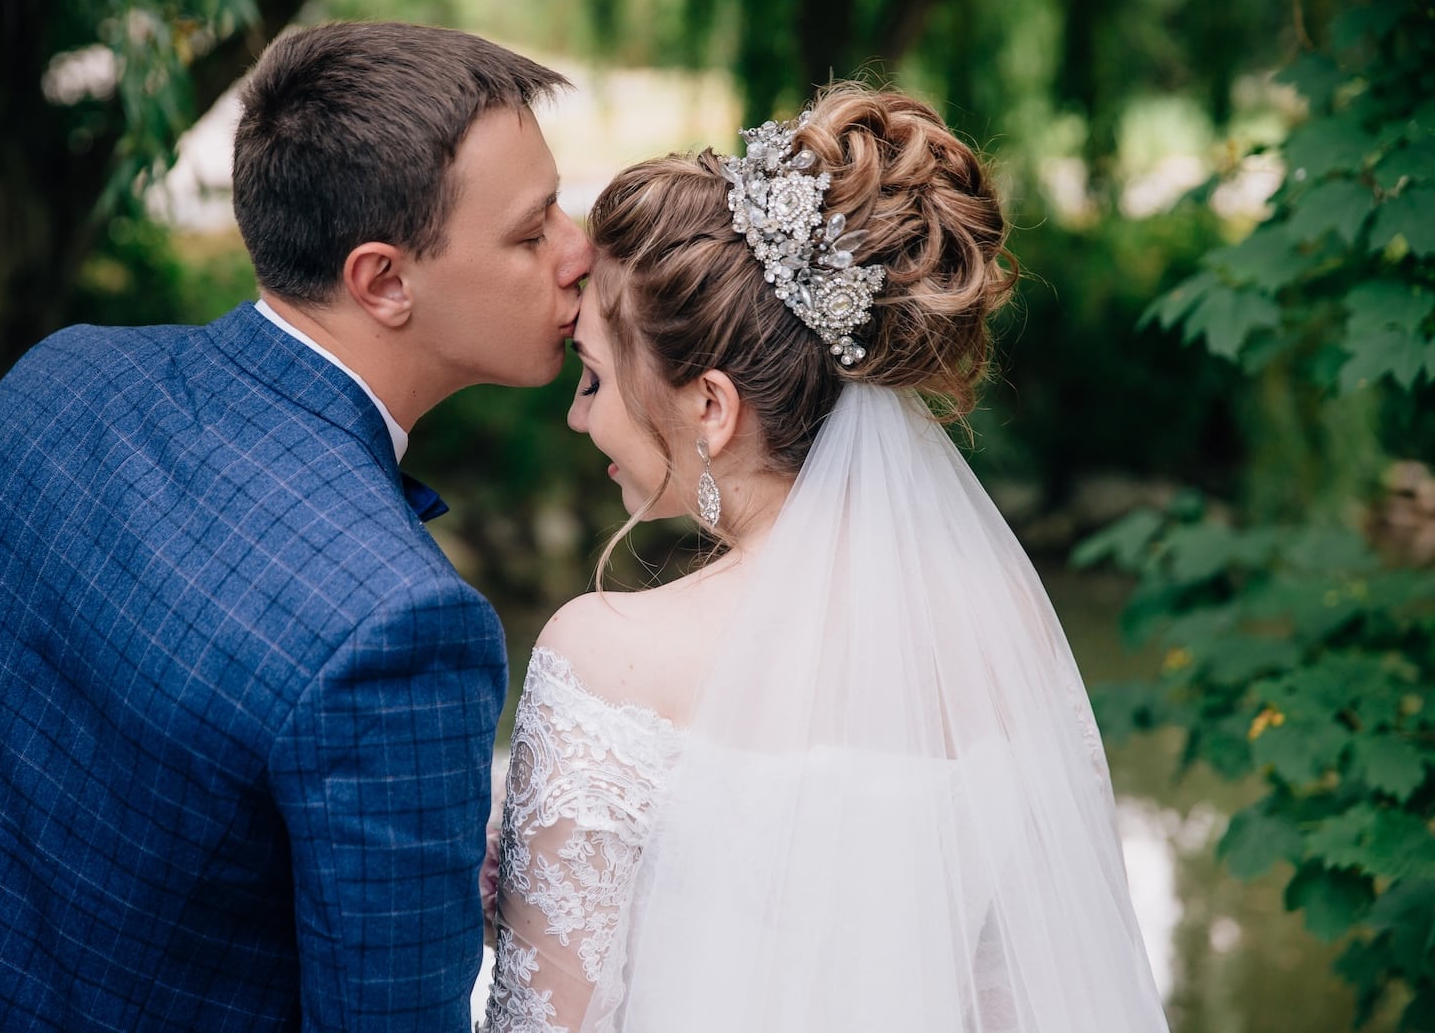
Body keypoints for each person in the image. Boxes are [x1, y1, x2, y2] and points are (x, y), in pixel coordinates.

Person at [0, 21, 591, 1031]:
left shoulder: (55, 380)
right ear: (383, 280)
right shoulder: (403, 626)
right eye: (531, 229)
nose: (579, 250)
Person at [480, 83, 1170, 1032]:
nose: (578, 414)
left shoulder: (607, 657)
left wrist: (521, 891)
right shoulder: (995, 630)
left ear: (712, 407)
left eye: (595, 378)